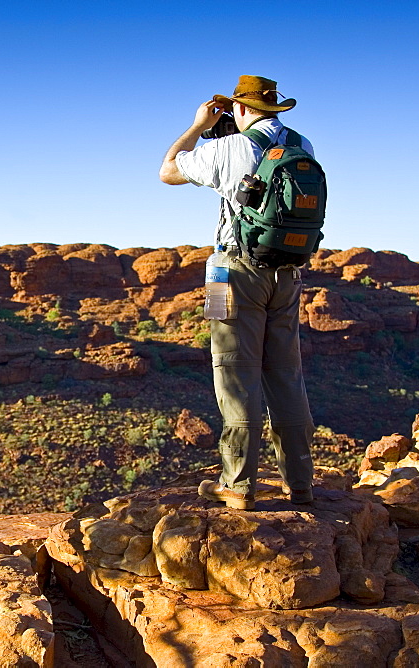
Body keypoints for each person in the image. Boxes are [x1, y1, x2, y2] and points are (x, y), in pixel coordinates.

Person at [159, 75, 316, 510]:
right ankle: (300, 484)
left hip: (230, 273)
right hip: (288, 273)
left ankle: (238, 485)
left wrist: (196, 126)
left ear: (241, 109)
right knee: (286, 373)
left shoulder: (228, 148)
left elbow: (168, 171)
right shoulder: (302, 145)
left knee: (234, 371)